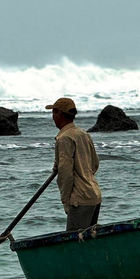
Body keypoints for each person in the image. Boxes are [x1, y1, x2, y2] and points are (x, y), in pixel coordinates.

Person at [45, 97, 102, 231]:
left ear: (59, 113)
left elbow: (65, 175)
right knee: (88, 241)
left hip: (80, 200)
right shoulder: (83, 134)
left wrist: (67, 202)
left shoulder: (64, 138)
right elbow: (95, 164)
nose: (52, 116)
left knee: (75, 241)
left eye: (53, 112)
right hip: (94, 195)